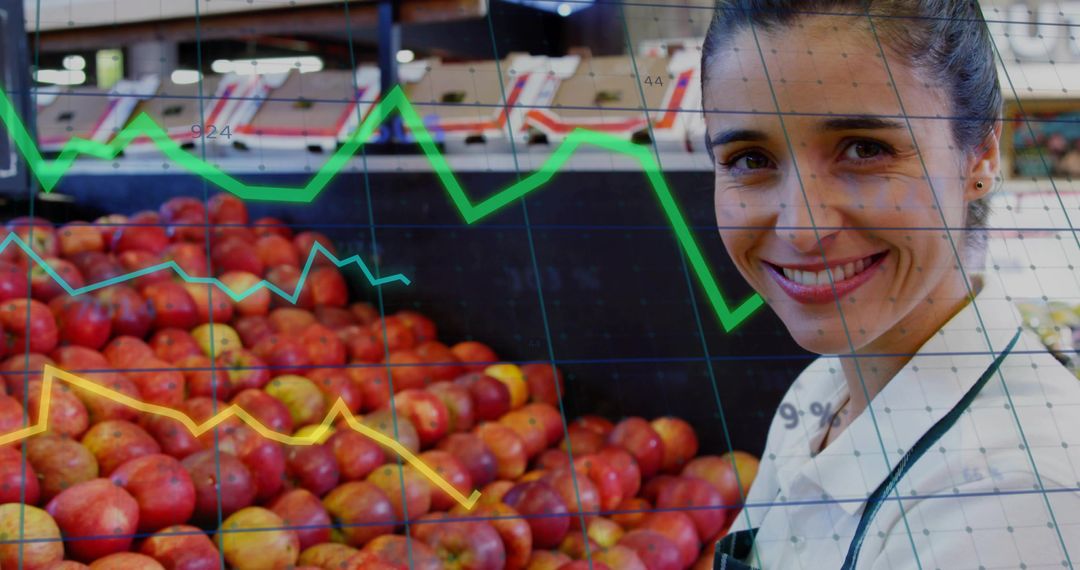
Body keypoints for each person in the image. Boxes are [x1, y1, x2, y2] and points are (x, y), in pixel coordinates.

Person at [700, 1, 1080, 568]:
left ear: (980, 156)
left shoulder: (1016, 501)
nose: (802, 229)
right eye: (750, 157)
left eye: (865, 149)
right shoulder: (823, 391)